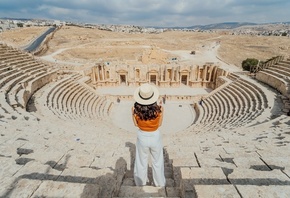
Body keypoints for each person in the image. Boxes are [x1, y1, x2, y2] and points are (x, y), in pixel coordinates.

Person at [132, 83, 166, 187]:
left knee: (141, 161)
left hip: (142, 136)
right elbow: (159, 124)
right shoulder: (159, 110)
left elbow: (135, 124)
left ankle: (140, 183)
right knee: (157, 161)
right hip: (155, 136)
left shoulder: (135, 111)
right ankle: (159, 183)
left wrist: (133, 113)